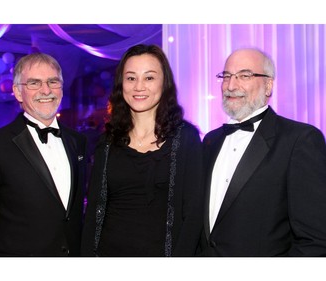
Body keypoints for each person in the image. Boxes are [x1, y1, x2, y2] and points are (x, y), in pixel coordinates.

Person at [199, 47, 326, 256]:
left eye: (245, 75)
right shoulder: (211, 141)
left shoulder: (299, 140)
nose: (231, 85)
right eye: (227, 76)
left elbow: (315, 241)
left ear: (268, 85)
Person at [81, 44, 204, 257]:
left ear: (164, 83)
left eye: (149, 78)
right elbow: (93, 210)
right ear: (122, 84)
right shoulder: (107, 142)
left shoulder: (186, 139)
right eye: (131, 78)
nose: (139, 86)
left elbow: (194, 215)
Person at [0, 53, 87, 256]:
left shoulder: (78, 141)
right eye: (34, 83)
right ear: (18, 93)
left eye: (53, 82)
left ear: (61, 89)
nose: (46, 90)